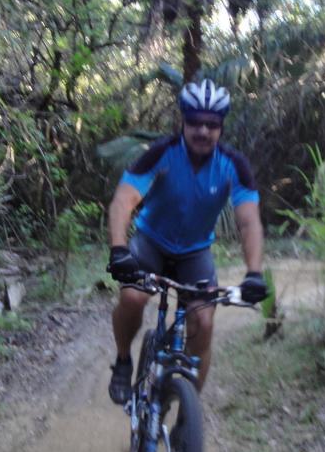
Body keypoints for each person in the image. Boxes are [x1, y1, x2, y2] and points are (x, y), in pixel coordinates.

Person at [106, 78, 268, 404]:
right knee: (134, 299)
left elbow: (248, 220)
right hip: (151, 243)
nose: (203, 131)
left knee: (203, 322)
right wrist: (120, 250)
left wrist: (254, 272)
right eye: (195, 122)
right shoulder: (162, 153)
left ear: (221, 128)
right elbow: (123, 200)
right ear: (183, 121)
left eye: (212, 124)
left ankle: (188, 413)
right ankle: (124, 360)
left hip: (195, 253)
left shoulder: (233, 165)